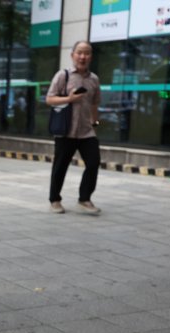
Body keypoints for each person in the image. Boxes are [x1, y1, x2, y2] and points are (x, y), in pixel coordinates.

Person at [46, 41, 101, 215]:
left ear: (91, 57)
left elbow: (95, 103)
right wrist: (69, 99)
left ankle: (84, 198)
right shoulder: (63, 76)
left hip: (86, 131)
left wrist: (95, 123)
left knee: (93, 162)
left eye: (87, 53)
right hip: (66, 130)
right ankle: (55, 199)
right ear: (72, 55)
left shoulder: (94, 80)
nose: (83, 57)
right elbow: (49, 99)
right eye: (79, 53)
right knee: (60, 166)